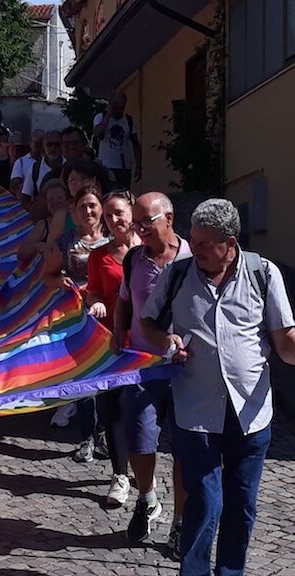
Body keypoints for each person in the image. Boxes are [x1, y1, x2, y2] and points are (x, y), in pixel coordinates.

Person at [140, 198, 295, 575]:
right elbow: (149, 323)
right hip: (196, 411)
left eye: (206, 243)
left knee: (242, 505)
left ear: (231, 242)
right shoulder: (177, 274)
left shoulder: (264, 274)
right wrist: (166, 342)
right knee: (205, 501)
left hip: (251, 413)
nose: (197, 249)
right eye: (194, 240)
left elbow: (283, 338)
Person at [112, 191, 191, 552]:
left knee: (186, 450)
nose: (140, 228)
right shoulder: (134, 260)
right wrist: (117, 334)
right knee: (139, 440)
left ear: (169, 219)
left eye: (147, 221)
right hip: (143, 369)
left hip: (190, 370)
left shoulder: (195, 258)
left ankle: (180, 522)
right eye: (137, 222)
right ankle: (147, 498)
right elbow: (124, 302)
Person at [43, 186, 112, 459]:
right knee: (84, 379)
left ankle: (105, 434)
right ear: (75, 211)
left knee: (109, 378)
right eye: (83, 207)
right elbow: (47, 275)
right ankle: (87, 437)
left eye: (92, 206)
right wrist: (59, 281)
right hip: (78, 316)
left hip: (110, 315)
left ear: (101, 208)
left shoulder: (114, 239)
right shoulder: (67, 242)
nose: (88, 212)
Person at [85, 189, 139, 508]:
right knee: (114, 410)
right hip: (112, 343)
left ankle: (141, 469)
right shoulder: (99, 256)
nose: (114, 219)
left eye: (119, 212)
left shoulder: (149, 252)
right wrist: (95, 305)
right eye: (108, 215)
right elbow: (93, 292)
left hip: (146, 344)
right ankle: (120, 475)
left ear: (132, 212)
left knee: (143, 411)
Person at [93, 93, 142, 189]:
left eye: (121, 107)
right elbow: (97, 133)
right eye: (116, 107)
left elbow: (136, 145)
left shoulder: (129, 120)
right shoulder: (101, 117)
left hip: (124, 167)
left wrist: (138, 166)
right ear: (110, 105)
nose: (119, 110)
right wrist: (108, 115)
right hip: (105, 166)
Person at [16, 178, 69, 262]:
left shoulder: (76, 220)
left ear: (67, 200)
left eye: (59, 198)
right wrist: (39, 246)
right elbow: (21, 253)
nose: (55, 202)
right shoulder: (43, 225)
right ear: (47, 204)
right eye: (51, 199)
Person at [20, 130, 63, 214]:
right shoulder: (34, 169)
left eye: (57, 145)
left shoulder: (69, 167)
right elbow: (25, 200)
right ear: (43, 146)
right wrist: (37, 211)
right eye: (49, 144)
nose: (53, 148)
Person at [9, 129, 42, 197]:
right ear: (30, 143)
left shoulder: (51, 161)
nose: (40, 145)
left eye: (41, 142)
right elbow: (14, 186)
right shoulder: (21, 162)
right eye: (37, 143)